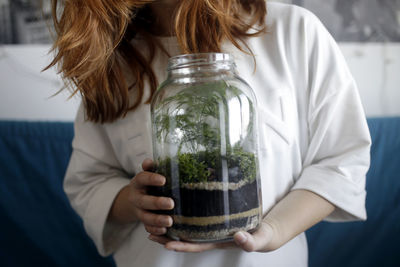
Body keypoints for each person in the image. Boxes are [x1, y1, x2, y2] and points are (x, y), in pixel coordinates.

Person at [47, 0, 371, 266]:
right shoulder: (111, 62)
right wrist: (132, 201)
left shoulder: (294, 31)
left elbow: (341, 161)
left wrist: (271, 230)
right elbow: (88, 182)